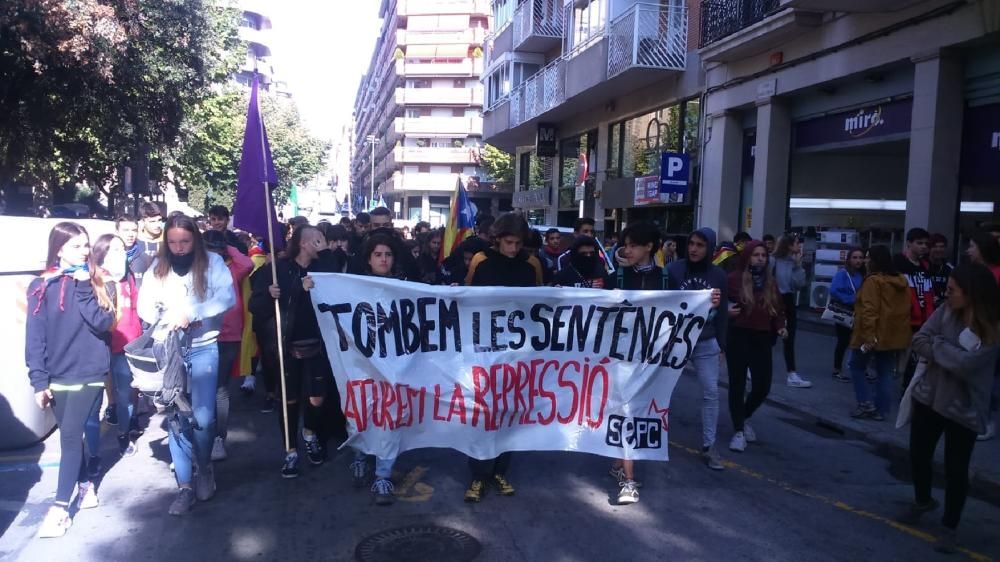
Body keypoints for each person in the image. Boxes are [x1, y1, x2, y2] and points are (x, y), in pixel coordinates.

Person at [136, 214, 236, 515]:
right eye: (174, 242)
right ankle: (185, 486)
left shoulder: (213, 264)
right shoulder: (157, 268)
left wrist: (193, 313)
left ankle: (203, 466)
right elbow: (144, 306)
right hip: (170, 352)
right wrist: (165, 318)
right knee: (177, 419)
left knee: (203, 420)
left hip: (204, 350)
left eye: (185, 241)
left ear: (195, 239)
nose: (179, 248)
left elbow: (227, 297)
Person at [903, 264, 1000, 553]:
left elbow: (967, 364)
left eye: (952, 291)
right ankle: (923, 500)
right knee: (918, 454)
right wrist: (945, 348)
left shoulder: (992, 327)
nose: (947, 295)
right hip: (929, 397)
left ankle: (949, 525)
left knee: (956, 469)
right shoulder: (945, 311)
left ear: (971, 294)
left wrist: (938, 346)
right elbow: (918, 339)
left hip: (964, 407)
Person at [27, 222, 116, 538]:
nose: (85, 250)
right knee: (71, 435)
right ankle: (86, 482)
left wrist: (82, 287)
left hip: (90, 372)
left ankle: (59, 509)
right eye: (77, 245)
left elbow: (103, 323)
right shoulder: (41, 285)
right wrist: (39, 380)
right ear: (60, 249)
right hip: (57, 373)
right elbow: (35, 336)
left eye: (87, 245)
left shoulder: (100, 282)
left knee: (68, 437)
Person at [249, 225, 346, 479]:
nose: (323, 243)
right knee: (288, 399)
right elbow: (255, 306)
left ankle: (310, 433)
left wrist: (325, 254)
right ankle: (290, 451)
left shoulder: (322, 266)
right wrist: (274, 294)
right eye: (318, 240)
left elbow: (336, 282)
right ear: (304, 243)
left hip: (319, 344)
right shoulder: (277, 269)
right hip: (286, 345)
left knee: (317, 398)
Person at [463, 213, 542, 502]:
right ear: (497, 239)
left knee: (509, 411)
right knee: (483, 413)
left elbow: (539, 303)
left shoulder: (531, 264)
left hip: (517, 353)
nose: (513, 249)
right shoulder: (480, 261)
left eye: (518, 243)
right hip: (484, 350)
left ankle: (499, 470)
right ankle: (477, 474)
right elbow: (466, 297)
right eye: (508, 242)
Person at [342, 233, 408, 505]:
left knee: (389, 420)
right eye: (378, 254)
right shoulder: (352, 286)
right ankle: (359, 456)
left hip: (393, 367)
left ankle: (383, 474)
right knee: (359, 416)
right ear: (368, 259)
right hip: (360, 365)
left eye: (388, 254)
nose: (383, 259)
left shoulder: (405, 288)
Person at [608, 221, 663, 504]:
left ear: (649, 247)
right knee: (629, 414)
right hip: (621, 360)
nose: (626, 250)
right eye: (624, 245)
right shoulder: (615, 277)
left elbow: (689, 310)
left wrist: (710, 302)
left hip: (653, 363)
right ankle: (629, 482)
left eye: (633, 245)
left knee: (639, 414)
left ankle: (618, 463)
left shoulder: (666, 280)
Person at [666, 228, 727, 471]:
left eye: (700, 245)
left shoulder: (719, 275)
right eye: (691, 243)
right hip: (676, 340)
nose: (693, 249)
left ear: (709, 248)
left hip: (706, 341)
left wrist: (723, 345)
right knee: (662, 389)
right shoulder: (673, 270)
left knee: (711, 392)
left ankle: (710, 445)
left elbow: (722, 313)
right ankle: (653, 437)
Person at [727, 241, 788, 453]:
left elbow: (778, 309)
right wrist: (728, 311)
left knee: (763, 386)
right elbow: (724, 302)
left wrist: (779, 326)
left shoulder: (770, 282)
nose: (760, 258)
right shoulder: (734, 279)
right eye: (756, 255)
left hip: (762, 337)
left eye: (763, 255)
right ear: (747, 257)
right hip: (739, 335)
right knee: (737, 384)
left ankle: (743, 417)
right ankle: (738, 430)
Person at [202, 230, 254, 461]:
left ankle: (217, 438)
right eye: (209, 249)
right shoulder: (197, 269)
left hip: (229, 335)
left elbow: (248, 263)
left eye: (217, 250)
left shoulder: (233, 267)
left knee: (220, 388)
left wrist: (228, 246)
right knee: (200, 389)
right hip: (201, 335)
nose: (213, 254)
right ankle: (200, 436)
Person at [92, 234, 143, 457]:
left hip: (133, 344)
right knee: (118, 394)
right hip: (110, 347)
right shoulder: (96, 282)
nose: (119, 254)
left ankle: (126, 427)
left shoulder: (128, 277)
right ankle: (122, 432)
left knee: (128, 392)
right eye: (113, 250)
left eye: (121, 249)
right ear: (101, 254)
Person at [847, 245, 911, 420]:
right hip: (892, 335)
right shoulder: (900, 281)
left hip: (871, 334)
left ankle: (865, 404)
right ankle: (880, 410)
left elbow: (869, 311)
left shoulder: (873, 281)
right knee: (885, 372)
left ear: (875, 261)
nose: (865, 261)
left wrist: (868, 337)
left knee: (856, 366)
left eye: (868, 257)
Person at [894, 227, 935, 388]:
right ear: (909, 243)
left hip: (925, 320)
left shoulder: (926, 266)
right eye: (919, 243)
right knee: (906, 359)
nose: (924, 247)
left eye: (926, 243)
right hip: (907, 320)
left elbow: (928, 293)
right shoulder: (898, 264)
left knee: (918, 360)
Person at [771, 235, 812, 388]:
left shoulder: (793, 262)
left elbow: (799, 284)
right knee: (770, 338)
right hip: (774, 300)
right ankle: (751, 366)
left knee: (790, 337)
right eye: (797, 243)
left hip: (788, 300)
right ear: (788, 245)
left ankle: (792, 373)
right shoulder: (773, 261)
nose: (800, 246)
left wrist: (798, 266)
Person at [829, 248, 865, 382]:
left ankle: (858, 368)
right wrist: (851, 299)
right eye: (855, 257)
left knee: (858, 340)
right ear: (849, 259)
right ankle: (836, 369)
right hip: (845, 310)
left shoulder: (861, 275)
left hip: (857, 311)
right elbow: (833, 290)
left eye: (860, 257)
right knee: (843, 341)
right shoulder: (843, 274)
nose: (858, 260)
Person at [130, 202, 164, 283]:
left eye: (159, 220)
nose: (158, 225)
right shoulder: (133, 241)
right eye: (152, 221)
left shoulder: (168, 240)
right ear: (142, 221)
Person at [928, 234, 953, 308]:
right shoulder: (921, 267)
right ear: (929, 248)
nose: (938, 250)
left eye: (941, 247)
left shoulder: (950, 269)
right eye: (935, 246)